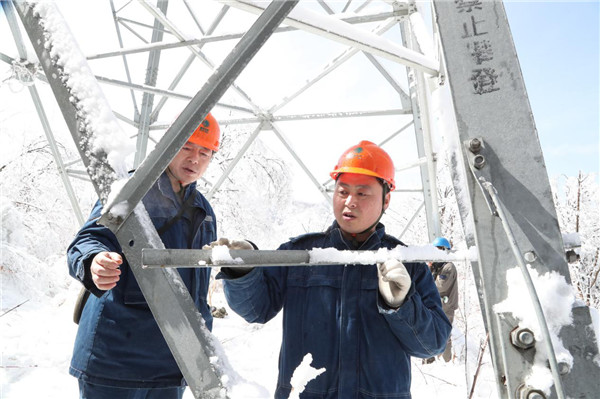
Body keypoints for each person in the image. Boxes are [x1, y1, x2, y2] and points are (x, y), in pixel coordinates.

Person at [217, 141, 452, 399]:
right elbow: (255, 310)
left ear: (386, 200)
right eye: (342, 192)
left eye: (362, 194)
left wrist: (401, 305)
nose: (350, 202)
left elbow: (431, 345)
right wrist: (243, 271)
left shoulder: (406, 263)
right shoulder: (301, 256)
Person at [67, 113, 221, 399]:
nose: (195, 159)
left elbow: (198, 289)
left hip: (173, 362)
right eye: (187, 148)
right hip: (114, 358)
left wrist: (202, 349)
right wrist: (93, 262)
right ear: (168, 145)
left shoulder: (204, 211)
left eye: (204, 152)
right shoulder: (132, 190)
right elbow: (89, 239)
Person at [425, 237, 459, 363]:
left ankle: (446, 360)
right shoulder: (437, 266)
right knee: (429, 331)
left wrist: (431, 270)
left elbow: (439, 286)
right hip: (436, 305)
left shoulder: (448, 267)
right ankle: (429, 360)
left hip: (446, 306)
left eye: (438, 249)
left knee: (444, 333)